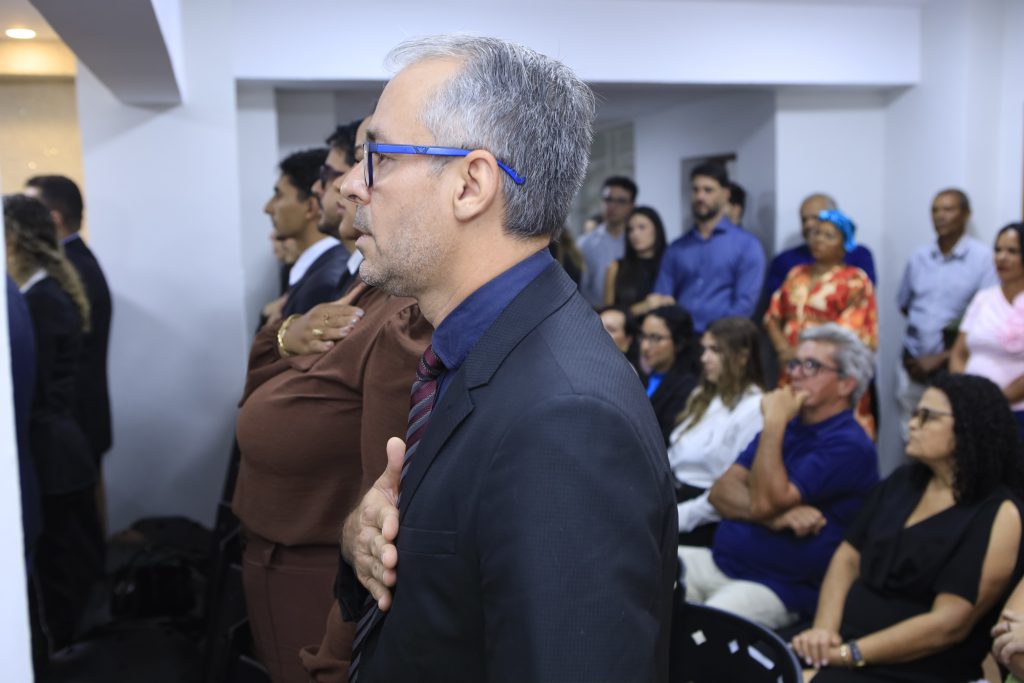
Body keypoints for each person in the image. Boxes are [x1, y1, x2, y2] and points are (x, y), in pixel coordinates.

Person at [335, 35, 677, 682]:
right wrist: (362, 542)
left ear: (471, 185)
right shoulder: (475, 347)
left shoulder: (567, 420)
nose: (351, 186)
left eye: (378, 157)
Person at [793, 374, 1024, 683]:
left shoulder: (999, 513)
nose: (912, 424)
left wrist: (848, 655)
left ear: (969, 426)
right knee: (755, 658)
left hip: (915, 667)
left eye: (928, 416)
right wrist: (823, 633)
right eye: (915, 413)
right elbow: (847, 557)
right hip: (843, 643)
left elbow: (948, 624)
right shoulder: (904, 481)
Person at [680, 324, 878, 629]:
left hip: (780, 587)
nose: (795, 373)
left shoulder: (848, 444)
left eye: (810, 365)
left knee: (703, 628)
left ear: (845, 384)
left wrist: (773, 421)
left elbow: (765, 501)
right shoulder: (793, 425)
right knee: (642, 565)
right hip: (722, 562)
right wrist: (777, 518)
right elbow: (721, 492)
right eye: (794, 363)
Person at [4, 194, 104, 655]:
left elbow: (33, 389)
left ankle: (66, 654)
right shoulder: (45, 292)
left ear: (14, 240)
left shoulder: (40, 300)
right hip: (59, 447)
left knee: (58, 569)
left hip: (50, 454)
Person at [764, 208, 877, 438]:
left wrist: (805, 353)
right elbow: (772, 316)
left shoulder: (855, 280)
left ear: (844, 243)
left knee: (829, 432)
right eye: (816, 233)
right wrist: (784, 350)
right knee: (789, 430)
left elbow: (848, 332)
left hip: (829, 370)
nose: (819, 240)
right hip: (791, 367)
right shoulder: (796, 274)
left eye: (828, 236)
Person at [24, 175, 112, 465]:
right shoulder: (77, 261)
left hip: (73, 425)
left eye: (28, 210)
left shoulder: (70, 271)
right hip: (76, 423)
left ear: (53, 218)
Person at [896, 189, 996, 439]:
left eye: (948, 209)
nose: (940, 216)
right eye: (935, 210)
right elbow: (905, 304)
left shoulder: (983, 259)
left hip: (955, 365)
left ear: (966, 214)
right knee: (912, 435)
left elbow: (987, 319)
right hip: (913, 364)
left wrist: (941, 357)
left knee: (951, 439)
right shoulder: (919, 257)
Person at [669, 316, 764, 547]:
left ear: (741, 357)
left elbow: (729, 487)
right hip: (669, 496)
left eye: (715, 350)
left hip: (702, 518)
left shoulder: (754, 408)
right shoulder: (702, 395)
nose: (704, 358)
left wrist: (676, 519)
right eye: (704, 349)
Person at [646, 161, 765, 333]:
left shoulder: (747, 245)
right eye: (695, 190)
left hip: (724, 339)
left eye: (708, 190)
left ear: (725, 194)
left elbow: (745, 305)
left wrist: (716, 335)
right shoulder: (676, 248)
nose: (700, 197)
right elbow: (662, 299)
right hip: (680, 338)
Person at [950, 222, 1024, 439]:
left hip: (1015, 412)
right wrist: (965, 391)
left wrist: (994, 399)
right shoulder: (983, 298)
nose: (1002, 257)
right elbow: (958, 353)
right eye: (998, 250)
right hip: (972, 409)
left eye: (1012, 251)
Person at [264, 148, 349, 319]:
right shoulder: (314, 269)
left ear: (310, 207)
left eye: (279, 196)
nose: (268, 208)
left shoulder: (327, 280)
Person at [763, 193, 876, 300]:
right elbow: (777, 303)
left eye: (816, 217)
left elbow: (863, 299)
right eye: (804, 219)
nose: (809, 224)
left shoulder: (858, 257)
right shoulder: (786, 262)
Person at [641, 305, 699, 444]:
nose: (644, 346)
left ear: (679, 342)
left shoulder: (688, 387)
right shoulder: (642, 376)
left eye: (655, 338)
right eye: (643, 336)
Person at [577, 175, 637, 306]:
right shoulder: (584, 244)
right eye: (608, 199)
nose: (613, 206)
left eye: (621, 201)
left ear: (632, 206)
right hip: (590, 313)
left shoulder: (637, 243)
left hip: (630, 313)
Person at [604, 206, 667, 314]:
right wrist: (640, 308)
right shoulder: (616, 267)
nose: (635, 234)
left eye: (642, 227)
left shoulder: (669, 265)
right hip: (625, 324)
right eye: (630, 229)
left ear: (656, 229)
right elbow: (608, 314)